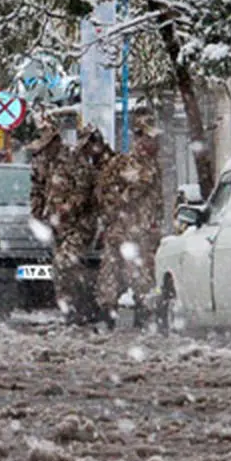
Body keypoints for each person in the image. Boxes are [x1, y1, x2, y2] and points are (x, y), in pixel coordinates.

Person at [96, 107, 164, 329]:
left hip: (141, 231)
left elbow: (156, 202)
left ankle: (140, 319)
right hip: (126, 230)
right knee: (117, 276)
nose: (155, 144)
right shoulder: (130, 164)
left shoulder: (152, 165)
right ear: (139, 138)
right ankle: (110, 318)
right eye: (150, 138)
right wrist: (114, 215)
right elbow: (110, 193)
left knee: (140, 278)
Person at [47, 124, 111, 326]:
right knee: (64, 266)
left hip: (81, 225)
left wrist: (65, 209)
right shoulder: (71, 163)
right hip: (65, 226)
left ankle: (79, 307)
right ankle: (72, 308)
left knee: (66, 263)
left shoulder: (89, 167)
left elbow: (82, 196)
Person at [27, 121, 62, 224]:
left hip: (66, 219)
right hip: (47, 218)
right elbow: (37, 189)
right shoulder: (40, 162)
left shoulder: (70, 160)